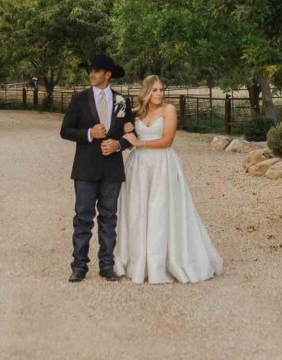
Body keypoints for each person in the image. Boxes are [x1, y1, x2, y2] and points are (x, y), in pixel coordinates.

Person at [113, 74, 223, 284]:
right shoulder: (134, 113)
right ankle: (138, 261)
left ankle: (163, 261)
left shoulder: (168, 110)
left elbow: (167, 140)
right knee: (138, 210)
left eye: (161, 90)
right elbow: (121, 132)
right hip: (138, 167)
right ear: (145, 92)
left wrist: (140, 143)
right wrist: (125, 129)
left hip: (162, 164)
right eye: (154, 90)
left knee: (160, 210)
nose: (159, 94)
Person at [59, 54, 132, 282]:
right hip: (85, 168)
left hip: (112, 169)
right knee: (83, 217)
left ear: (107, 74)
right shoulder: (79, 99)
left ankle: (106, 265)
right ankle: (79, 266)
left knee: (109, 217)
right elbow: (65, 130)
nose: (91, 74)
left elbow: (131, 134)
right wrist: (90, 134)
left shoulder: (122, 101)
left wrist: (118, 144)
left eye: (96, 71)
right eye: (90, 70)